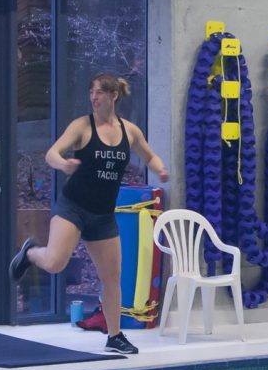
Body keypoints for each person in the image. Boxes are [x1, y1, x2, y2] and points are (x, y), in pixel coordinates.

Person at [12, 74, 171, 355]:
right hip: (73, 207)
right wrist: (63, 163)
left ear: (114, 96)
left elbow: (149, 155)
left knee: (112, 278)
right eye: (92, 92)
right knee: (55, 263)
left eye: (100, 93)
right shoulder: (82, 126)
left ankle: (115, 336)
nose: (94, 97)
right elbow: (51, 153)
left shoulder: (130, 131)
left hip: (102, 214)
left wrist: (160, 169)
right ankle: (30, 253)